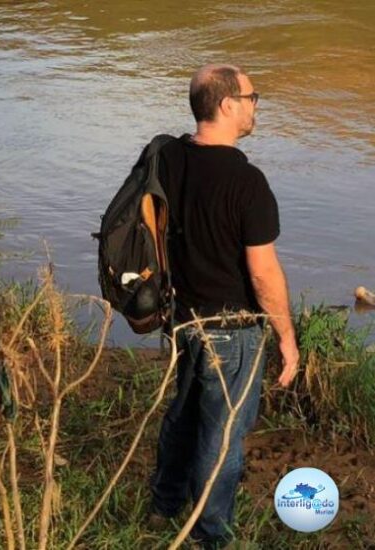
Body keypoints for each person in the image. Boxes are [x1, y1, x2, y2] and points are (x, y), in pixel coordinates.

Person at [149, 64, 300, 548]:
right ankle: (210, 534)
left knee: (183, 414)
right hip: (231, 331)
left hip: (182, 318)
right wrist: (286, 338)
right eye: (253, 97)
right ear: (228, 104)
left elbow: (149, 225)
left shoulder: (167, 157)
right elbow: (262, 273)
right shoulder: (248, 183)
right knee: (222, 437)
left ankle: (165, 504)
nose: (257, 105)